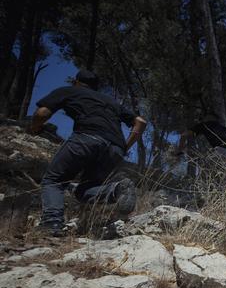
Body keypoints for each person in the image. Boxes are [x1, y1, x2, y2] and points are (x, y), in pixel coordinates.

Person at [30, 69, 146, 235]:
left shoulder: (69, 91)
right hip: (114, 148)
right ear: (96, 86)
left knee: (53, 180)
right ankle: (116, 190)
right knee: (84, 191)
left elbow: (42, 113)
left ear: (76, 82)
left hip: (86, 138)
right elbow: (140, 122)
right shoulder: (110, 101)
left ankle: (52, 223)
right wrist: (124, 147)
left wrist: (34, 128)